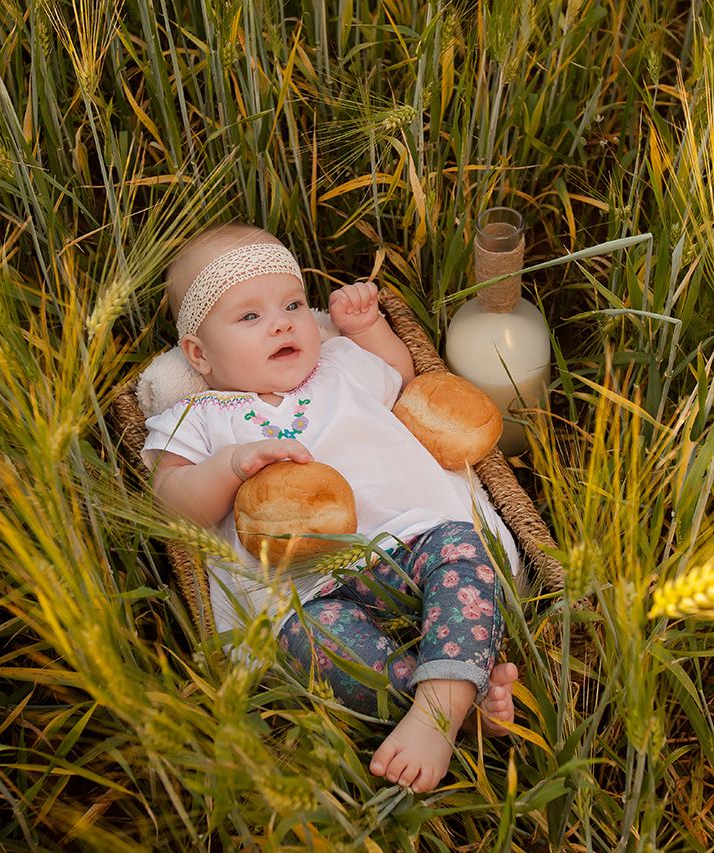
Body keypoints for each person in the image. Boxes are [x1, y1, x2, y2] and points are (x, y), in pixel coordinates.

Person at [142, 223, 524, 793]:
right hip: (304, 587)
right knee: (315, 644)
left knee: (462, 549)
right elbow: (172, 501)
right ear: (198, 354)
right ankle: (445, 707)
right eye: (249, 317)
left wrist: (366, 327)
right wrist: (231, 465)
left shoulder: (340, 364)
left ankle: (446, 696)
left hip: (408, 538)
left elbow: (403, 376)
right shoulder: (200, 415)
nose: (281, 322)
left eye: (293, 304)